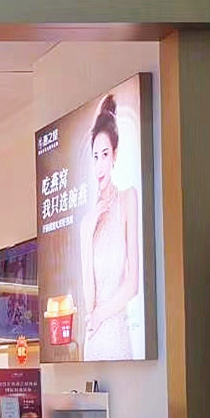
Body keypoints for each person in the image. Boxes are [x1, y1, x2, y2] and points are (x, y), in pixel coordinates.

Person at [80, 94, 140, 360]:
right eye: (95, 156)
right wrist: (87, 233)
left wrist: (100, 315)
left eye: (105, 154)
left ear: (115, 155)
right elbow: (89, 300)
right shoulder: (87, 221)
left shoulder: (128, 198)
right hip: (94, 339)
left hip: (116, 332)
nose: (99, 165)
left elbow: (133, 284)